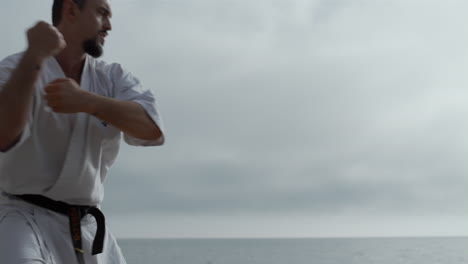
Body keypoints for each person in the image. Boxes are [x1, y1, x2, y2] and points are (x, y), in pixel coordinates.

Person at [0, 0, 165, 263]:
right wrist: (33, 56)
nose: (109, 26)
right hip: (22, 222)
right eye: (102, 13)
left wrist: (87, 101)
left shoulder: (113, 78)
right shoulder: (15, 69)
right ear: (71, 10)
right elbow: (3, 134)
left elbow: (152, 131)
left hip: (89, 227)